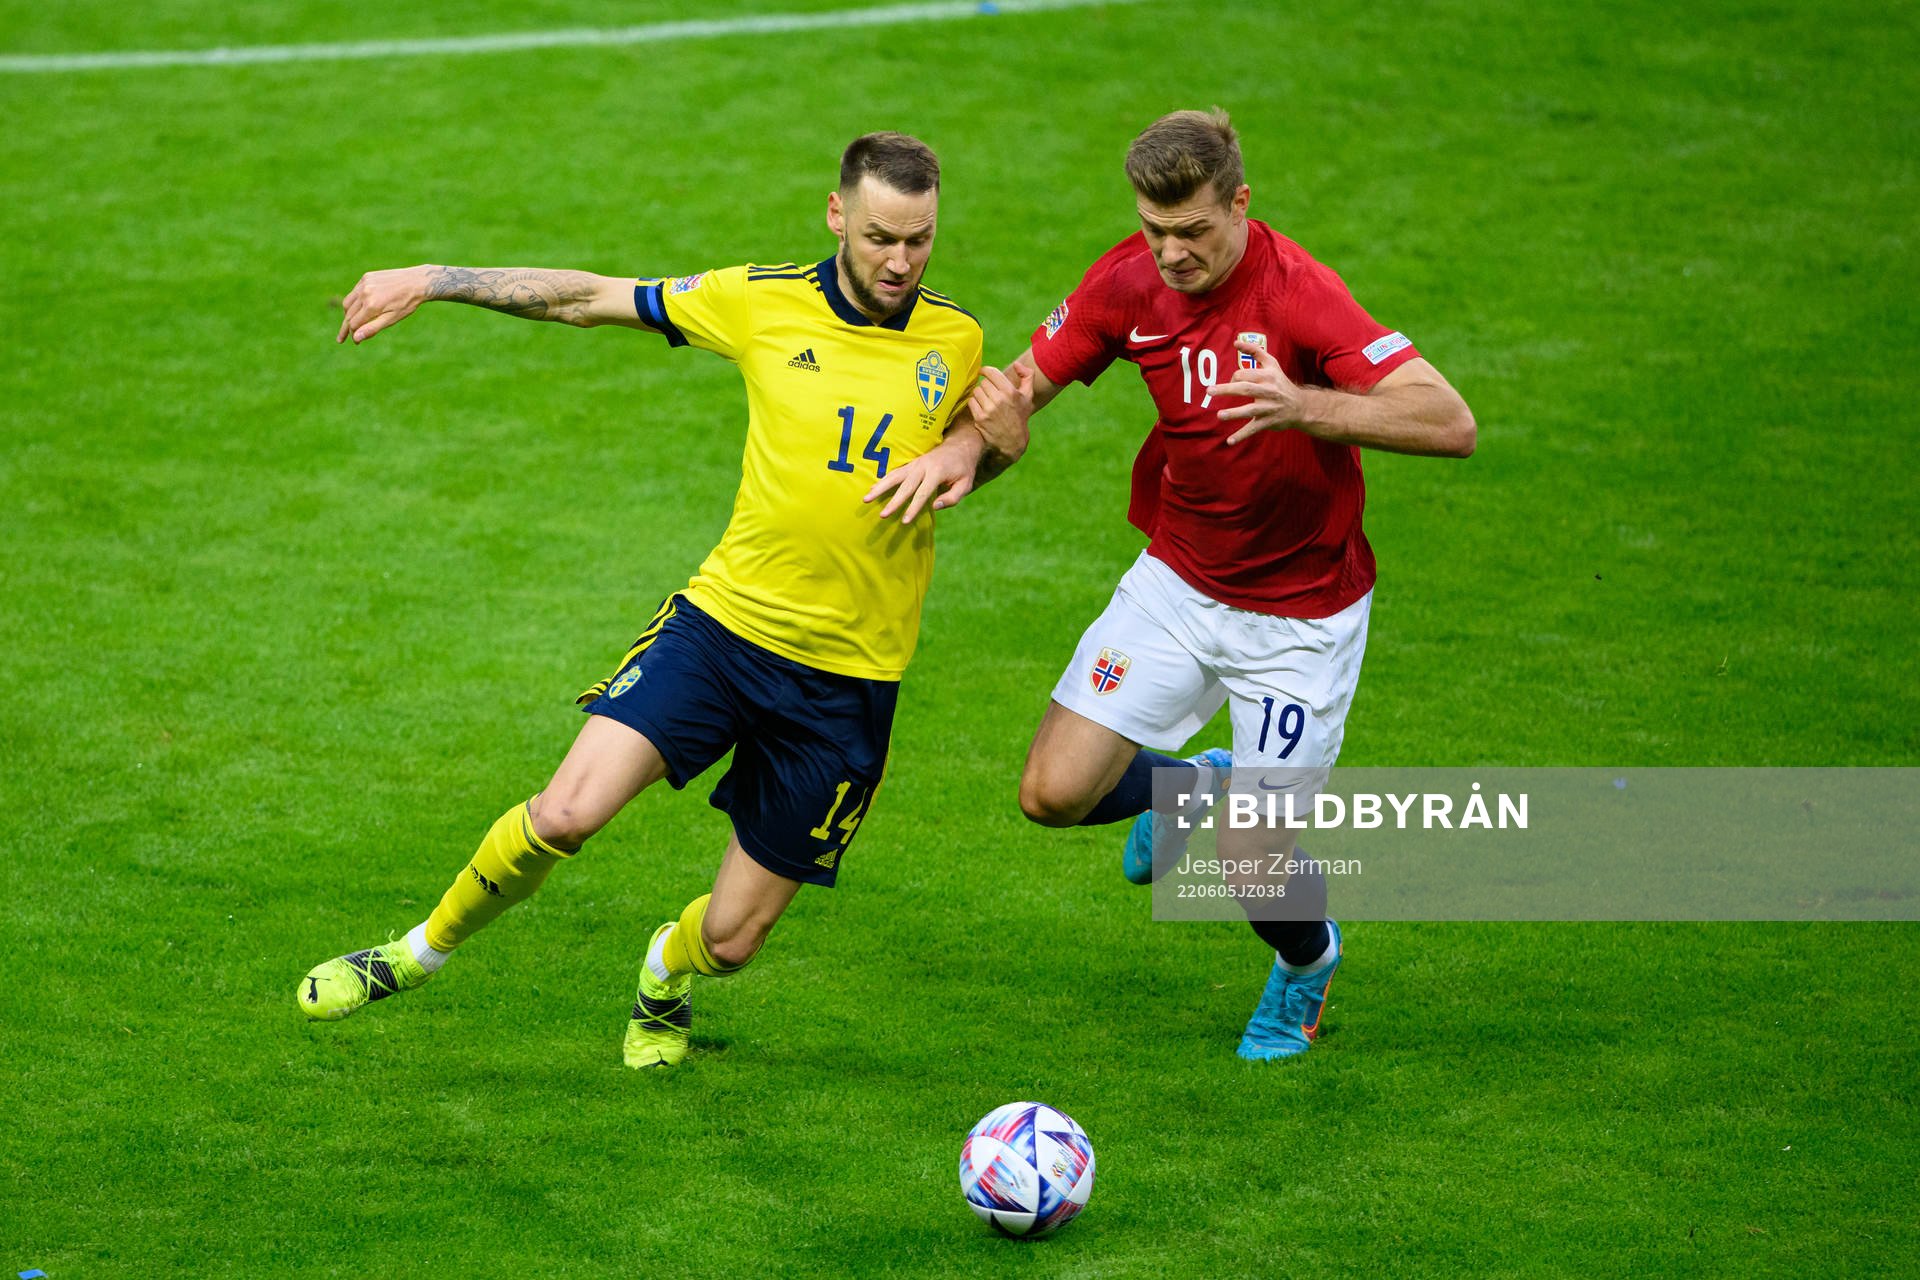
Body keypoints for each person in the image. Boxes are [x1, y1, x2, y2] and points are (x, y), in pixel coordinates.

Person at [303, 132, 1024, 1069]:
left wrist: (997, 448)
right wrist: (435, 279)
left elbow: (964, 464)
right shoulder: (760, 301)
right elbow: (589, 299)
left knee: (732, 941)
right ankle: (413, 954)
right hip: (724, 632)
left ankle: (665, 969)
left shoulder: (955, 339)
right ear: (837, 215)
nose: (900, 261)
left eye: (919, 240)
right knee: (565, 813)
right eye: (881, 236)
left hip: (849, 679)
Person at [868, 109, 1475, 1061]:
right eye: (1155, 230)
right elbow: (1023, 383)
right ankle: (1194, 786)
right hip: (1179, 586)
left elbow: (1450, 421)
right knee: (1052, 793)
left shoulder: (1302, 295)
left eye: (1193, 230)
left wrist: (1303, 405)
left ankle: (1308, 963)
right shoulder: (1128, 281)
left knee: (1251, 861)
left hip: (1300, 620)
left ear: (1240, 204)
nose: (1173, 253)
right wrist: (964, 449)